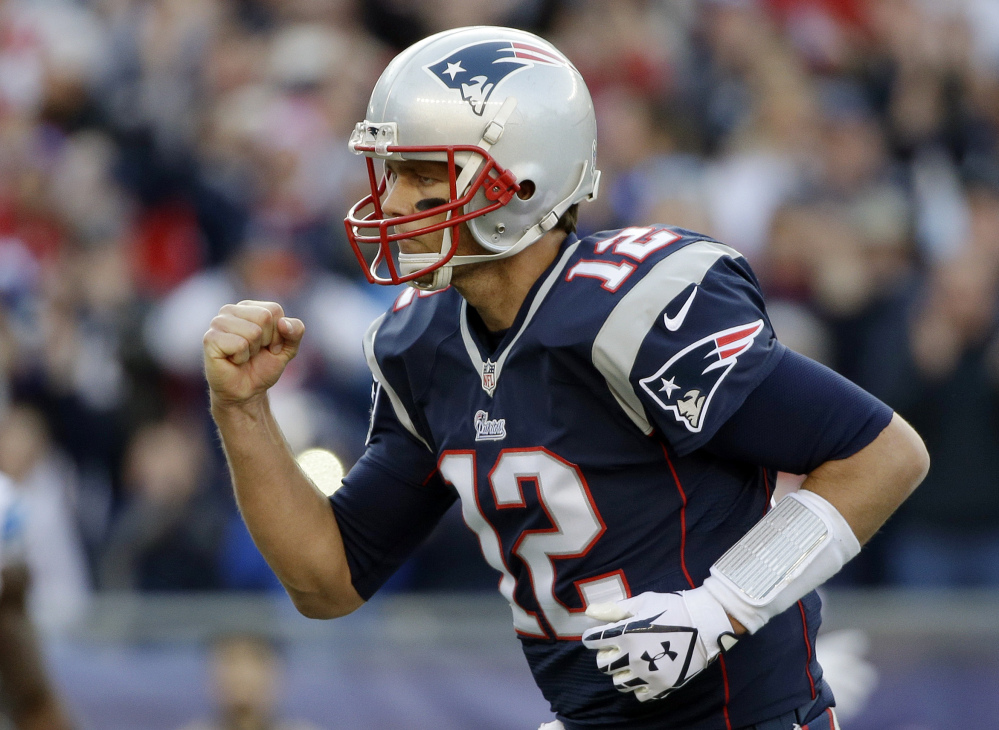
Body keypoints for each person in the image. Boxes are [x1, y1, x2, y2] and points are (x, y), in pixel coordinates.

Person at [203, 26, 929, 730]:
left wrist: (720, 609)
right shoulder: (420, 341)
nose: (392, 202)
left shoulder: (634, 310)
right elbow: (327, 579)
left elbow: (882, 455)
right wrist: (241, 411)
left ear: (522, 181)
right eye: (391, 172)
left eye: (423, 174)